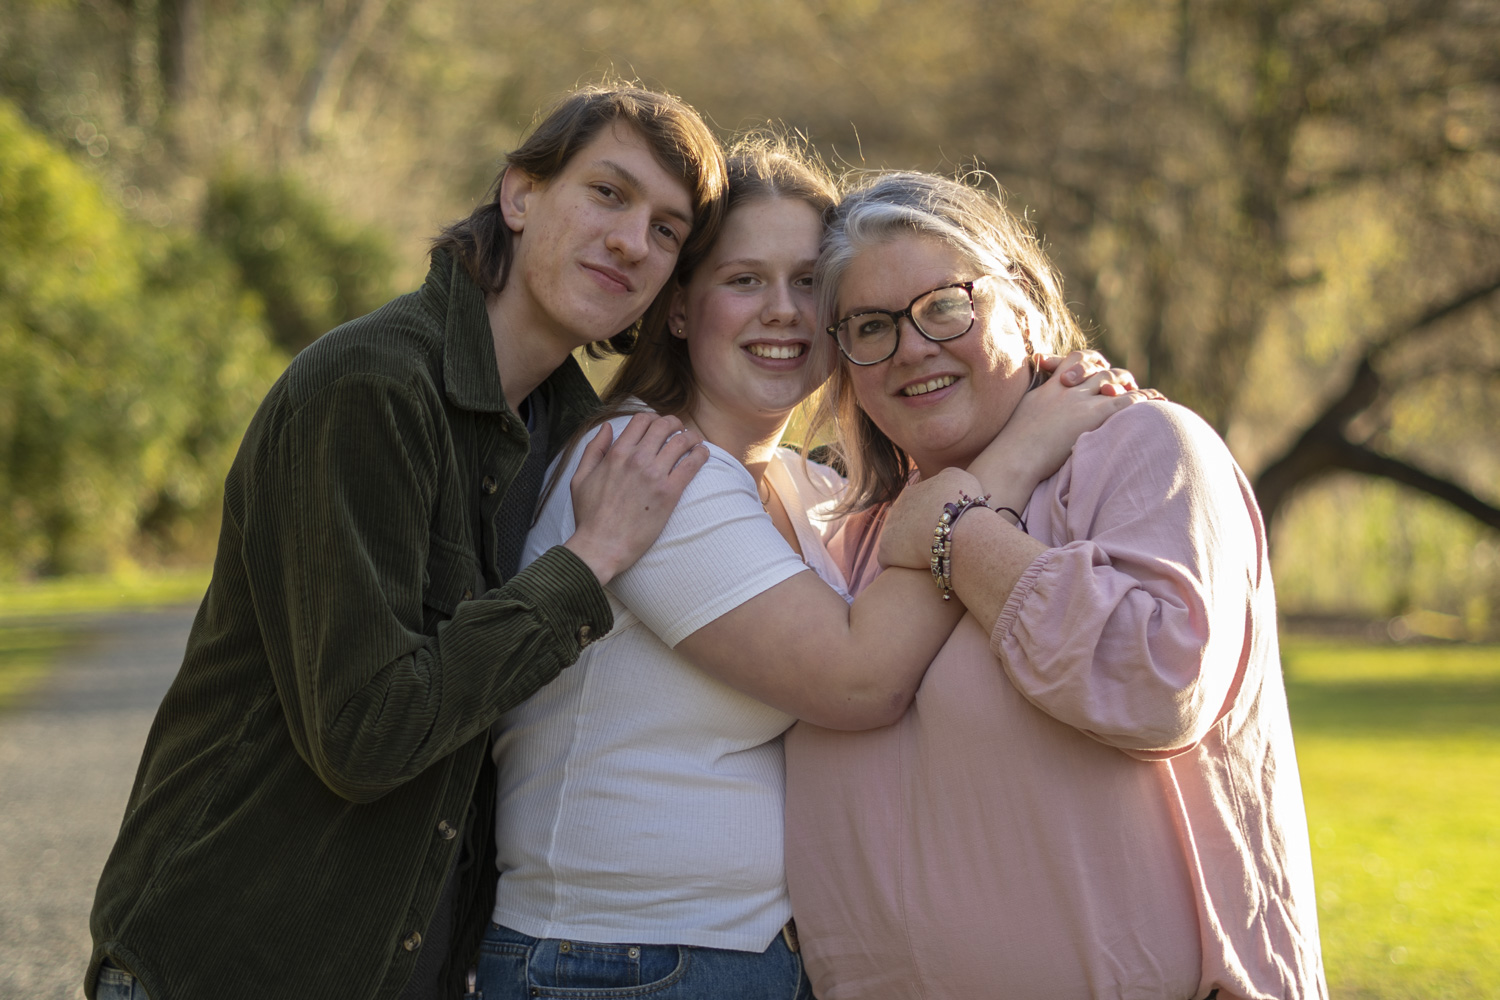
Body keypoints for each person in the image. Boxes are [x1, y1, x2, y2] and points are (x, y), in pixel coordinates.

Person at [86, 85, 726, 1000]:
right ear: (519, 195)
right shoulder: (371, 388)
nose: (634, 240)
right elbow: (365, 734)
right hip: (228, 963)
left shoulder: (579, 441)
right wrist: (587, 562)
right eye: (609, 194)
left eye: (668, 230)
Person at [475, 138, 1147, 1000]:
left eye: (809, 286)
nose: (784, 312)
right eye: (745, 280)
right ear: (679, 309)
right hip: (617, 960)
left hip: (739, 956)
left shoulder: (811, 488)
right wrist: (1014, 460)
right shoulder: (647, 464)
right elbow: (859, 680)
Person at [783, 170, 1329, 999]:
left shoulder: (1143, 448)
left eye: (945, 305)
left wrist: (960, 536)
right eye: (870, 326)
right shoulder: (860, 537)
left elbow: (1157, 680)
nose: (913, 348)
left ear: (1028, 305)